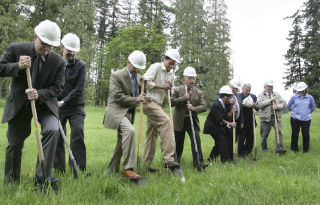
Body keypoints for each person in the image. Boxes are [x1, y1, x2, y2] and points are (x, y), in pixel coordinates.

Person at [0, 20, 65, 189]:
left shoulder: (58, 62)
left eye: (51, 46)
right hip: (20, 105)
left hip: (44, 105)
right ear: (36, 37)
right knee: (14, 143)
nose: (47, 49)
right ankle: (11, 181)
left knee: (53, 130)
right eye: (44, 44)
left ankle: (41, 179)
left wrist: (39, 94)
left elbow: (58, 87)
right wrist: (18, 66)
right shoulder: (16, 49)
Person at [103, 50, 146, 179]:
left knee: (122, 141)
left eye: (139, 69)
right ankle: (128, 168)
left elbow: (141, 95)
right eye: (135, 68)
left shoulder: (139, 78)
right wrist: (136, 100)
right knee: (130, 131)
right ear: (128, 62)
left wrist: (145, 85)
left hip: (129, 113)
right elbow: (117, 97)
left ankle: (111, 170)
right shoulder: (116, 76)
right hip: (116, 111)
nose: (137, 71)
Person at [53, 33, 88, 174]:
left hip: (76, 106)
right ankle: (59, 170)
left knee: (77, 133)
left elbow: (79, 89)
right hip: (57, 107)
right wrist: (56, 102)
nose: (72, 53)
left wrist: (64, 101)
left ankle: (79, 169)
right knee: (57, 136)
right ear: (61, 47)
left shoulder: (81, 66)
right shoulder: (54, 63)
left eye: (74, 50)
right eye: (69, 50)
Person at [142, 49, 181, 173]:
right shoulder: (156, 67)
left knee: (151, 135)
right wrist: (162, 86)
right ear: (164, 59)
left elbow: (171, 89)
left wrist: (170, 87)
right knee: (166, 122)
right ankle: (168, 159)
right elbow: (144, 81)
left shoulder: (170, 75)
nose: (171, 66)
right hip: (148, 101)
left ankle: (146, 165)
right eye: (170, 63)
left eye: (173, 64)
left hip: (157, 104)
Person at [171, 67, 208, 170]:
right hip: (179, 121)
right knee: (178, 142)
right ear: (185, 79)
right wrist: (183, 98)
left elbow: (204, 106)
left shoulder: (198, 92)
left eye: (194, 78)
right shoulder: (178, 90)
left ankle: (198, 163)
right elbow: (171, 102)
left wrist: (194, 108)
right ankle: (175, 162)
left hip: (192, 120)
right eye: (190, 78)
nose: (192, 80)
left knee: (196, 140)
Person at [204, 86, 236, 162]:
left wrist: (232, 109)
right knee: (222, 141)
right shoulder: (216, 104)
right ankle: (225, 160)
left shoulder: (224, 103)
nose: (230, 98)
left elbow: (226, 115)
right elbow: (220, 119)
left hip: (218, 126)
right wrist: (230, 124)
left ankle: (211, 159)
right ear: (225, 96)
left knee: (220, 142)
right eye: (229, 96)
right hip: (212, 127)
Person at [257, 80, 286, 154]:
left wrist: (277, 106)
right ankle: (264, 149)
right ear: (265, 86)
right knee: (264, 135)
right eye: (269, 86)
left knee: (279, 133)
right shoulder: (260, 95)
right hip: (265, 119)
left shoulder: (277, 94)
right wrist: (270, 100)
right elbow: (259, 105)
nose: (270, 87)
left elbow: (283, 103)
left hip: (276, 117)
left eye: (271, 86)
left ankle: (279, 149)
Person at [287, 82, 315, 153]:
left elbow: (313, 107)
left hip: (306, 119)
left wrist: (307, 112)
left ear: (306, 89)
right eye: (300, 90)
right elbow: (289, 106)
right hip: (295, 118)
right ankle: (294, 149)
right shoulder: (294, 97)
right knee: (295, 134)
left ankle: (306, 150)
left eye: (303, 90)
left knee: (305, 134)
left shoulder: (310, 97)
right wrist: (294, 112)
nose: (301, 91)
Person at [237, 83, 259, 157]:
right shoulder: (239, 96)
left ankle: (247, 152)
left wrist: (254, 106)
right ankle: (240, 153)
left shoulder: (253, 96)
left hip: (251, 120)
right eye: (247, 90)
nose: (248, 92)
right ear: (242, 89)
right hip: (241, 120)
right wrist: (241, 122)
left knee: (250, 138)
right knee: (242, 138)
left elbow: (257, 108)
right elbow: (240, 109)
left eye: (249, 90)